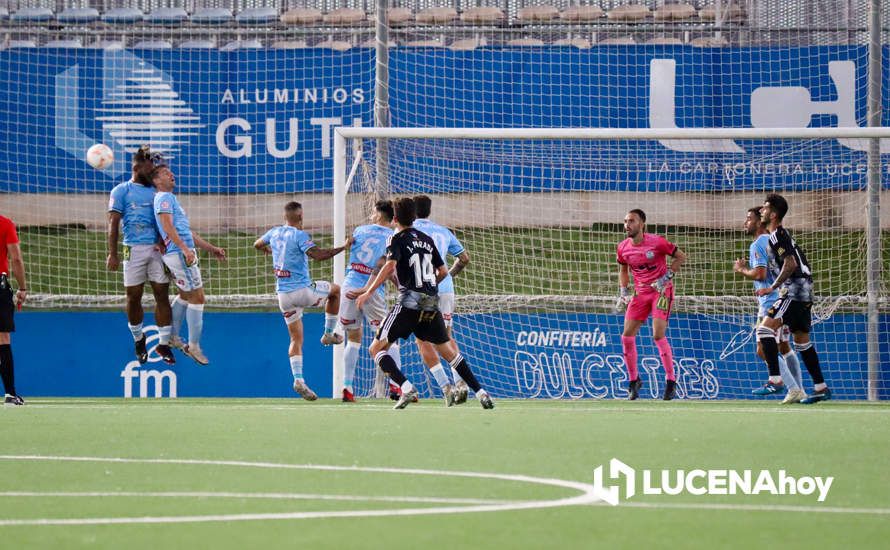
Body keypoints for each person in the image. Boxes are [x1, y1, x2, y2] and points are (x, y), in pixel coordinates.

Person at [356, 197, 494, 410]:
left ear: (394, 219)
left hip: (409, 302)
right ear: (414, 217)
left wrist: (368, 291)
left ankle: (407, 387)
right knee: (449, 352)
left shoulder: (396, 239)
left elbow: (389, 267)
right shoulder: (427, 239)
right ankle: (482, 393)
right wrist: (428, 287)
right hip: (431, 301)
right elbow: (444, 271)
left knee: (376, 349)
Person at [254, 201, 352, 400]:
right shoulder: (299, 235)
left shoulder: (274, 232)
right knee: (335, 291)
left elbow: (256, 244)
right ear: (300, 217)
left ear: (284, 217)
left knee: (295, 339)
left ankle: (298, 379)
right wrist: (344, 247)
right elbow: (318, 255)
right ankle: (328, 333)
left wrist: (270, 252)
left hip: (283, 296)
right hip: (302, 291)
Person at [754, 193, 831, 404]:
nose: (761, 210)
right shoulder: (779, 235)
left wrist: (773, 287)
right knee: (802, 341)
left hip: (794, 291)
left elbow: (791, 264)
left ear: (774, 213)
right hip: (805, 291)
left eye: (765, 207)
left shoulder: (777, 235)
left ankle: (776, 379)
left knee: (764, 330)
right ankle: (821, 387)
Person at [151, 163, 226, 365]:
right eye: (166, 173)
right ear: (157, 180)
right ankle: (193, 345)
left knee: (185, 295)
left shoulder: (170, 199)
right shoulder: (163, 198)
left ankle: (172, 337)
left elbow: (188, 233)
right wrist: (184, 249)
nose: (172, 175)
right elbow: (166, 226)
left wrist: (211, 248)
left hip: (180, 251)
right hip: (179, 253)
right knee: (198, 298)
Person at [107, 146, 174, 365]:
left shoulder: (158, 191)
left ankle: (163, 344)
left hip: (157, 250)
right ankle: (138, 338)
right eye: (150, 165)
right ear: (137, 167)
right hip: (132, 249)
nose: (154, 169)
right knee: (133, 296)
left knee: (161, 295)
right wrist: (112, 254)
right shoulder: (121, 191)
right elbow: (113, 223)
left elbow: (168, 221)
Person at [733, 207, 806, 404]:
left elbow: (760, 274)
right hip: (785, 297)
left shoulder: (758, 244)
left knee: (762, 349)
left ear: (759, 222)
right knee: (783, 346)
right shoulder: (773, 240)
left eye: (749, 219)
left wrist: (741, 270)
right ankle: (800, 391)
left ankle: (789, 386)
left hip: (770, 301)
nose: (745, 223)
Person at [616, 209, 687, 400]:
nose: (627, 225)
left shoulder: (657, 242)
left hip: (661, 291)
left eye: (631, 221)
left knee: (657, 334)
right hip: (640, 293)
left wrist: (667, 276)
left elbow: (681, 256)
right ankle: (633, 381)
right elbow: (623, 270)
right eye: (625, 221)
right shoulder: (623, 247)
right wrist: (624, 291)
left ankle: (671, 381)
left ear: (642, 224)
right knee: (626, 337)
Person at [412, 195, 472, 404]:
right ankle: (461, 382)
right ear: (429, 210)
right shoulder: (443, 231)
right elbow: (464, 258)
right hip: (445, 288)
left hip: (422, 290)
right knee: (445, 337)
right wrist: (449, 276)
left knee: (423, 339)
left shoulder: (408, 232)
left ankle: (446, 387)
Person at [338, 200, 398, 402]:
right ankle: (396, 386)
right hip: (373, 291)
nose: (371, 215)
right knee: (389, 337)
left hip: (349, 287)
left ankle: (347, 387)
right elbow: (384, 265)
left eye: (373, 212)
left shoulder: (360, 230)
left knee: (353, 338)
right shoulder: (392, 237)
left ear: (379, 215)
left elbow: (351, 245)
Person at [0, 214, 27, 405]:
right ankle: (10, 394)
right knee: (2, 338)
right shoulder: (5, 224)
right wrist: (22, 288)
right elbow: (16, 258)